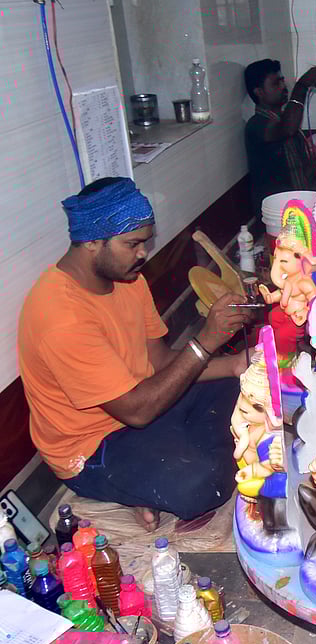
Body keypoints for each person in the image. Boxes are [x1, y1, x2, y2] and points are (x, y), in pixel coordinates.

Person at [18, 177, 253, 531]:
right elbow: (137, 411)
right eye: (133, 244)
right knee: (203, 484)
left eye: (145, 242)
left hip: (144, 403)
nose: (143, 253)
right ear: (92, 242)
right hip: (95, 447)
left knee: (245, 389)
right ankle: (158, 474)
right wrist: (205, 341)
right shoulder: (60, 316)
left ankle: (159, 472)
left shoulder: (127, 278)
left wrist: (236, 364)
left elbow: (158, 362)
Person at [244, 60, 316, 216]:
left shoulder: (284, 119)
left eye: (282, 81)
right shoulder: (256, 125)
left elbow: (309, 171)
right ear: (259, 92)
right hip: (280, 216)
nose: (283, 87)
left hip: (303, 206)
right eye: (276, 84)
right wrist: (301, 87)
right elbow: (287, 129)